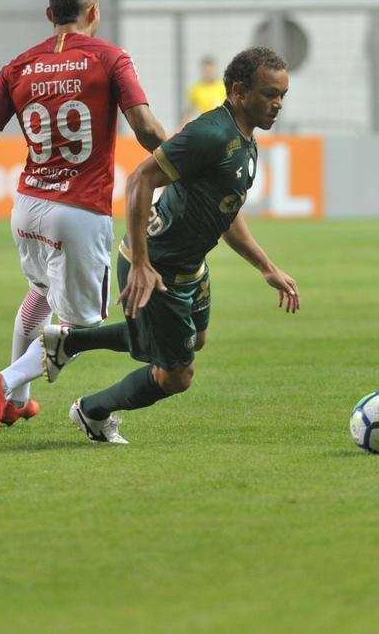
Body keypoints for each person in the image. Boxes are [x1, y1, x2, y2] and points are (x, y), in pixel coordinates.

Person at [37, 46, 301, 445]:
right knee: (176, 375)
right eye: (269, 94)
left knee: (194, 338)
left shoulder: (244, 138)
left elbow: (224, 211)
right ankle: (92, 412)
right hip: (157, 266)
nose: (278, 104)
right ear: (239, 91)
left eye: (282, 95)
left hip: (189, 264)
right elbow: (139, 180)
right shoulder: (211, 133)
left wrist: (266, 266)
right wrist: (142, 263)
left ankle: (70, 341)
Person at [0, 0, 167, 434]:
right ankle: (4, 381)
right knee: (81, 328)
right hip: (79, 211)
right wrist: (182, 159)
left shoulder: (19, 66)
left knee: (40, 296)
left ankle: (16, 402)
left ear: (50, 16)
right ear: (94, 13)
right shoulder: (110, 59)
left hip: (27, 208)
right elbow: (144, 128)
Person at [184, 56, 222, 123]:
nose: (208, 73)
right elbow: (189, 110)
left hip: (220, 123)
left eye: (210, 70)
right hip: (205, 123)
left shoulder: (223, 87)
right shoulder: (196, 89)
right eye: (206, 71)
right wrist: (181, 127)